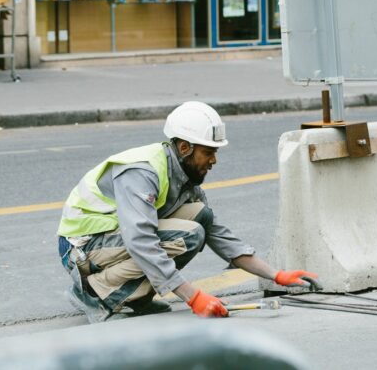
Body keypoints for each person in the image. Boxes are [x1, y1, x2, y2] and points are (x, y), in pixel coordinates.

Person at [57, 101, 318, 323]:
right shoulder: (142, 172)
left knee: (200, 216)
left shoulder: (183, 175)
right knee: (189, 235)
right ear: (184, 148)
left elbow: (218, 233)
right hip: (82, 248)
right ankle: (95, 293)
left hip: (110, 241)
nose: (214, 161)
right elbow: (141, 241)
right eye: (208, 152)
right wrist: (192, 296)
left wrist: (275, 275)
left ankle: (136, 298)